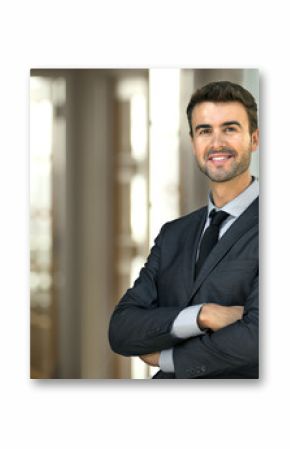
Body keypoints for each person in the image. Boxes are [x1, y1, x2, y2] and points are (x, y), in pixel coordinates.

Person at [109, 80, 259, 379]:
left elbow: (260, 338)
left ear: (254, 139)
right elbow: (122, 329)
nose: (217, 143)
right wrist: (203, 315)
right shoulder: (174, 234)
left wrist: (168, 358)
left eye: (230, 128)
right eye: (205, 130)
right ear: (193, 143)